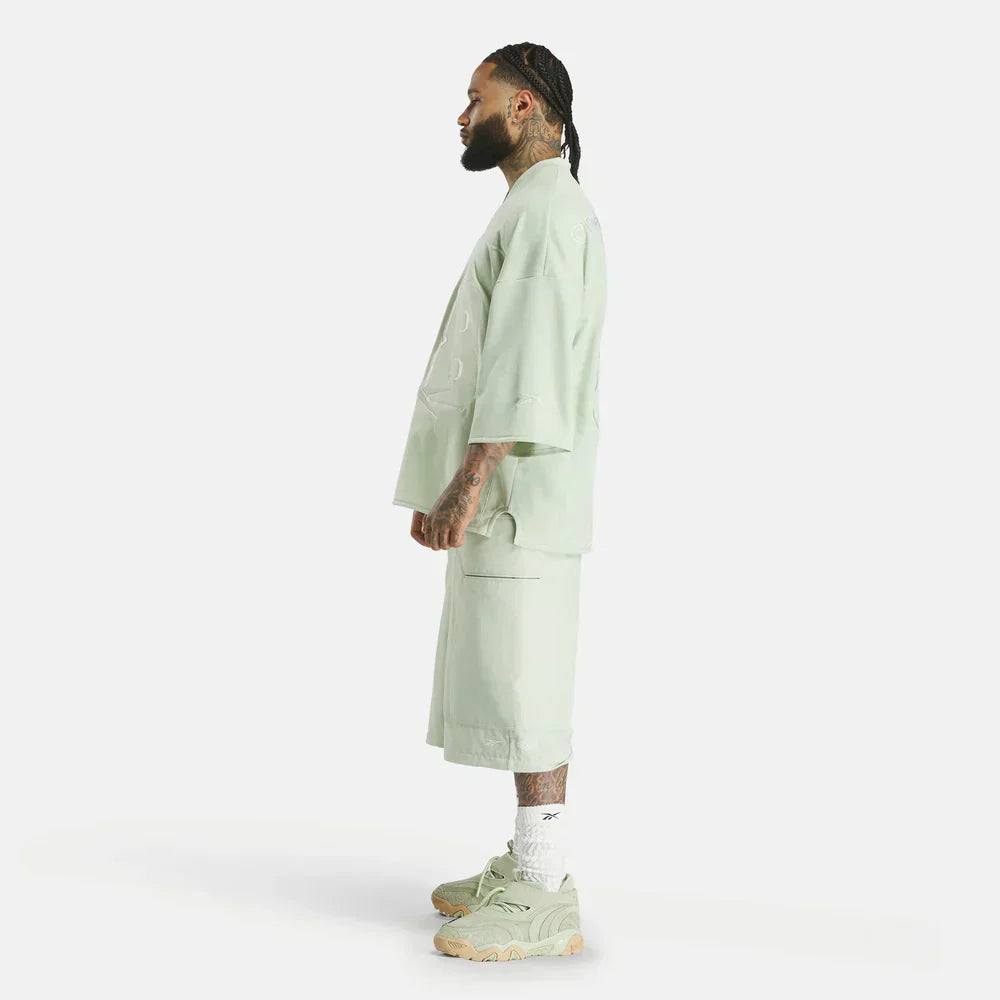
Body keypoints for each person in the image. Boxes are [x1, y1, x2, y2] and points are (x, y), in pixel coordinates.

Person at [392, 41, 606, 962]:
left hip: (520, 500)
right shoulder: (532, 206)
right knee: (511, 677)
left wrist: (467, 482)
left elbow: (526, 367)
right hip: (513, 501)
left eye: (474, 98)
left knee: (529, 687)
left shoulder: (549, 210)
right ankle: (528, 863)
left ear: (523, 107)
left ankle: (544, 890)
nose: (461, 115)